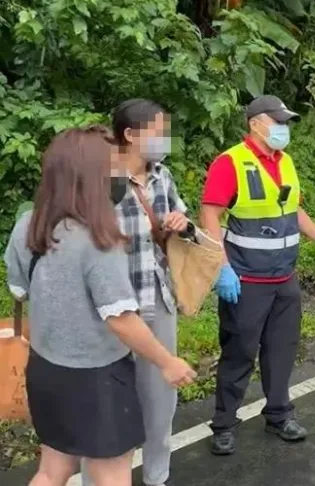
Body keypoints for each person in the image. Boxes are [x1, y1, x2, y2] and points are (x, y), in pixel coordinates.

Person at [4, 126, 195, 486]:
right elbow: (121, 319)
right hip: (97, 380)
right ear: (89, 177)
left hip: (46, 369)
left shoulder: (28, 226)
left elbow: (19, 289)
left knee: (52, 470)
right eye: (113, 168)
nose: (120, 176)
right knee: (111, 475)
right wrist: (167, 361)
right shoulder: (98, 240)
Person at [200, 95, 315, 455]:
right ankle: (224, 424)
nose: (283, 128)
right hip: (246, 279)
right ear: (255, 123)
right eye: (277, 121)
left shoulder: (285, 162)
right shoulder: (230, 163)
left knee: (281, 351)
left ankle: (279, 414)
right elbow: (209, 217)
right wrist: (221, 267)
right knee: (238, 352)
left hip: (284, 277)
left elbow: (293, 209)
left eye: (285, 122)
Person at [79, 99, 189, 486]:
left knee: (160, 398)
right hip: (109, 309)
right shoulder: (100, 181)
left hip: (156, 297)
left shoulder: (163, 176)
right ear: (130, 135)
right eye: (158, 132)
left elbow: (184, 221)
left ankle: (157, 477)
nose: (164, 140)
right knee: (106, 405)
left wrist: (180, 222)